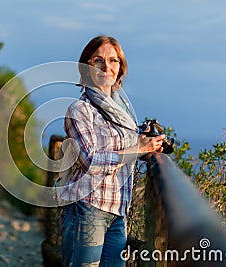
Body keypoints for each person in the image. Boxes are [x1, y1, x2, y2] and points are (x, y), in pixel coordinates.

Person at [60, 35, 165, 266]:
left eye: (113, 61)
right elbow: (91, 161)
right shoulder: (79, 110)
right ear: (87, 67)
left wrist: (146, 145)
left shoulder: (123, 113)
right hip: (88, 207)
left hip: (118, 210)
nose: (106, 66)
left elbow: (127, 148)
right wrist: (136, 149)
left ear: (120, 68)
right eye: (98, 60)